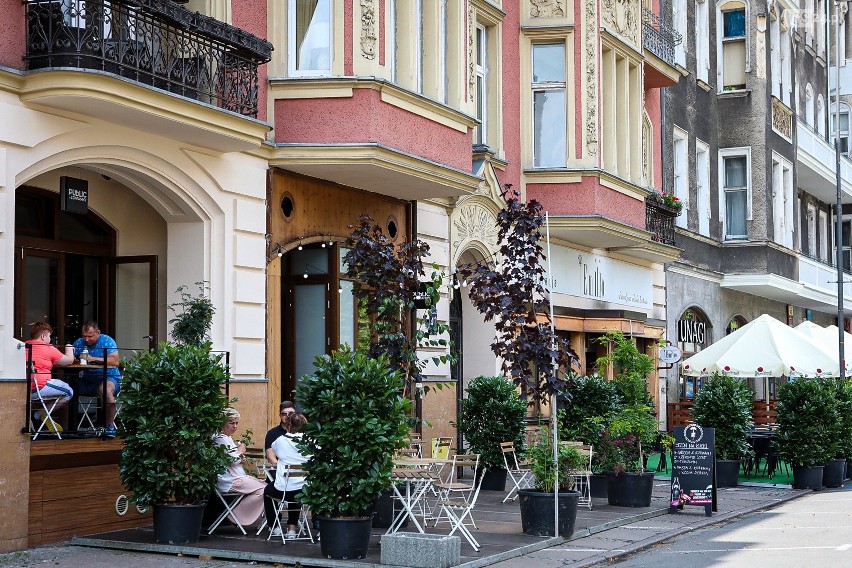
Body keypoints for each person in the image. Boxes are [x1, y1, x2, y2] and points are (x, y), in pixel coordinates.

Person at [214, 408, 266, 528]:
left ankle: (235, 515)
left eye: (237, 423)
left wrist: (239, 457)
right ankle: (234, 516)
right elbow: (232, 459)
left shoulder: (226, 437)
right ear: (223, 422)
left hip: (235, 477)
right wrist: (240, 451)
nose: (235, 426)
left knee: (266, 488)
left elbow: (231, 459)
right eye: (232, 423)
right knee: (267, 490)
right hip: (230, 480)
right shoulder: (220, 438)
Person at [263, 412, 311, 539]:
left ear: (289, 426)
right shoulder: (311, 441)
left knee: (267, 490)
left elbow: (274, 451)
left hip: (284, 490)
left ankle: (275, 527)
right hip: (306, 490)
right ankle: (292, 529)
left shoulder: (281, 441)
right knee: (296, 487)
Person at [72, 321, 121, 437]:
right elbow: (70, 357)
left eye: (90, 336)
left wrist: (93, 358)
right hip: (88, 379)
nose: (87, 340)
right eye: (84, 336)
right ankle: (68, 428)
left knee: (105, 391)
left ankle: (109, 426)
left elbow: (115, 361)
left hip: (109, 376)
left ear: (98, 333)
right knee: (68, 390)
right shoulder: (79, 343)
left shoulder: (107, 341)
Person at [25, 322, 75, 431]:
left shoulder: (25, 346)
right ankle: (39, 414)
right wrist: (69, 348)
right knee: (69, 391)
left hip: (23, 390)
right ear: (43, 336)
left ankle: (38, 416)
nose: (50, 339)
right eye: (49, 336)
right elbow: (68, 361)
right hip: (39, 388)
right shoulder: (48, 348)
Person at [264, 401, 296, 466]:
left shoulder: (301, 433)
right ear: (280, 416)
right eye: (284, 414)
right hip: (278, 471)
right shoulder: (272, 433)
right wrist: (283, 470)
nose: (287, 416)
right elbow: (271, 457)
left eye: (291, 413)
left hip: (298, 472)